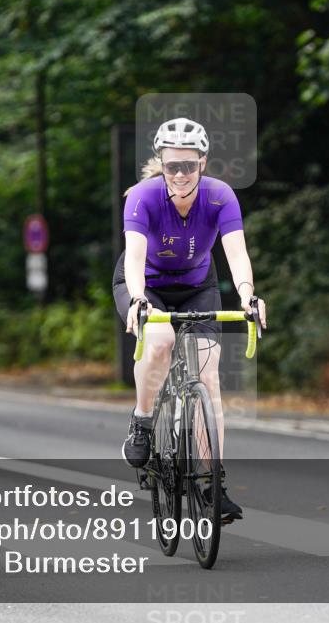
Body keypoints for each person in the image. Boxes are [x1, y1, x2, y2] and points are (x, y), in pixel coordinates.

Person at [113, 117, 267, 523]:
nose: (180, 175)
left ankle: (212, 485)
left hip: (199, 284)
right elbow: (132, 260)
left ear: (203, 162)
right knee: (160, 341)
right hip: (147, 285)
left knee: (209, 376)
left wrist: (249, 296)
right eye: (171, 166)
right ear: (160, 163)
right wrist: (139, 302)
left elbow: (236, 253)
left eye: (188, 166)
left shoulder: (221, 197)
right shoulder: (143, 198)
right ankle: (143, 421)